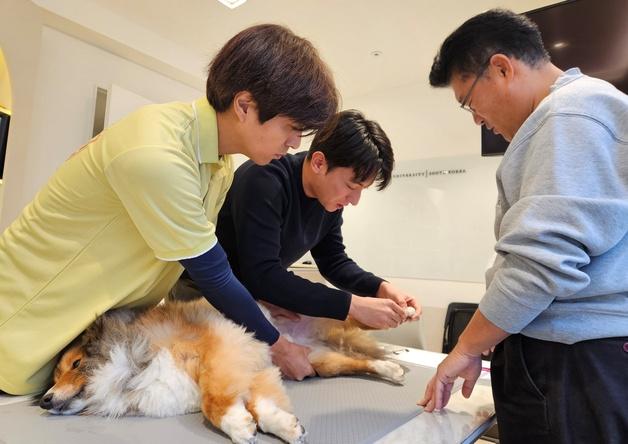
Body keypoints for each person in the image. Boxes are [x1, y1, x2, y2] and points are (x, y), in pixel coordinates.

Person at [0, 24, 339, 395]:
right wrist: (278, 344)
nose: (293, 145)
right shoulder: (158, 152)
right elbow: (212, 274)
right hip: (18, 335)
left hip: (76, 350)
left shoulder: (218, 163)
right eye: (291, 128)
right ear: (244, 105)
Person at [418, 9, 628, 443]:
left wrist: (467, 346)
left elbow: (540, 264)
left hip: (571, 364)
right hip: (583, 360)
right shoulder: (584, 110)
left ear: (500, 68)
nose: (476, 119)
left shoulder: (569, 112)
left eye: (468, 101)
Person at [210, 109, 420, 380]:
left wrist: (381, 288)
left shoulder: (329, 202)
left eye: (361, 191)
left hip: (254, 295)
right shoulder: (264, 179)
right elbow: (262, 273)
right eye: (351, 186)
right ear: (319, 162)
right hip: (207, 296)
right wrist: (352, 306)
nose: (354, 200)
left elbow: (334, 261)